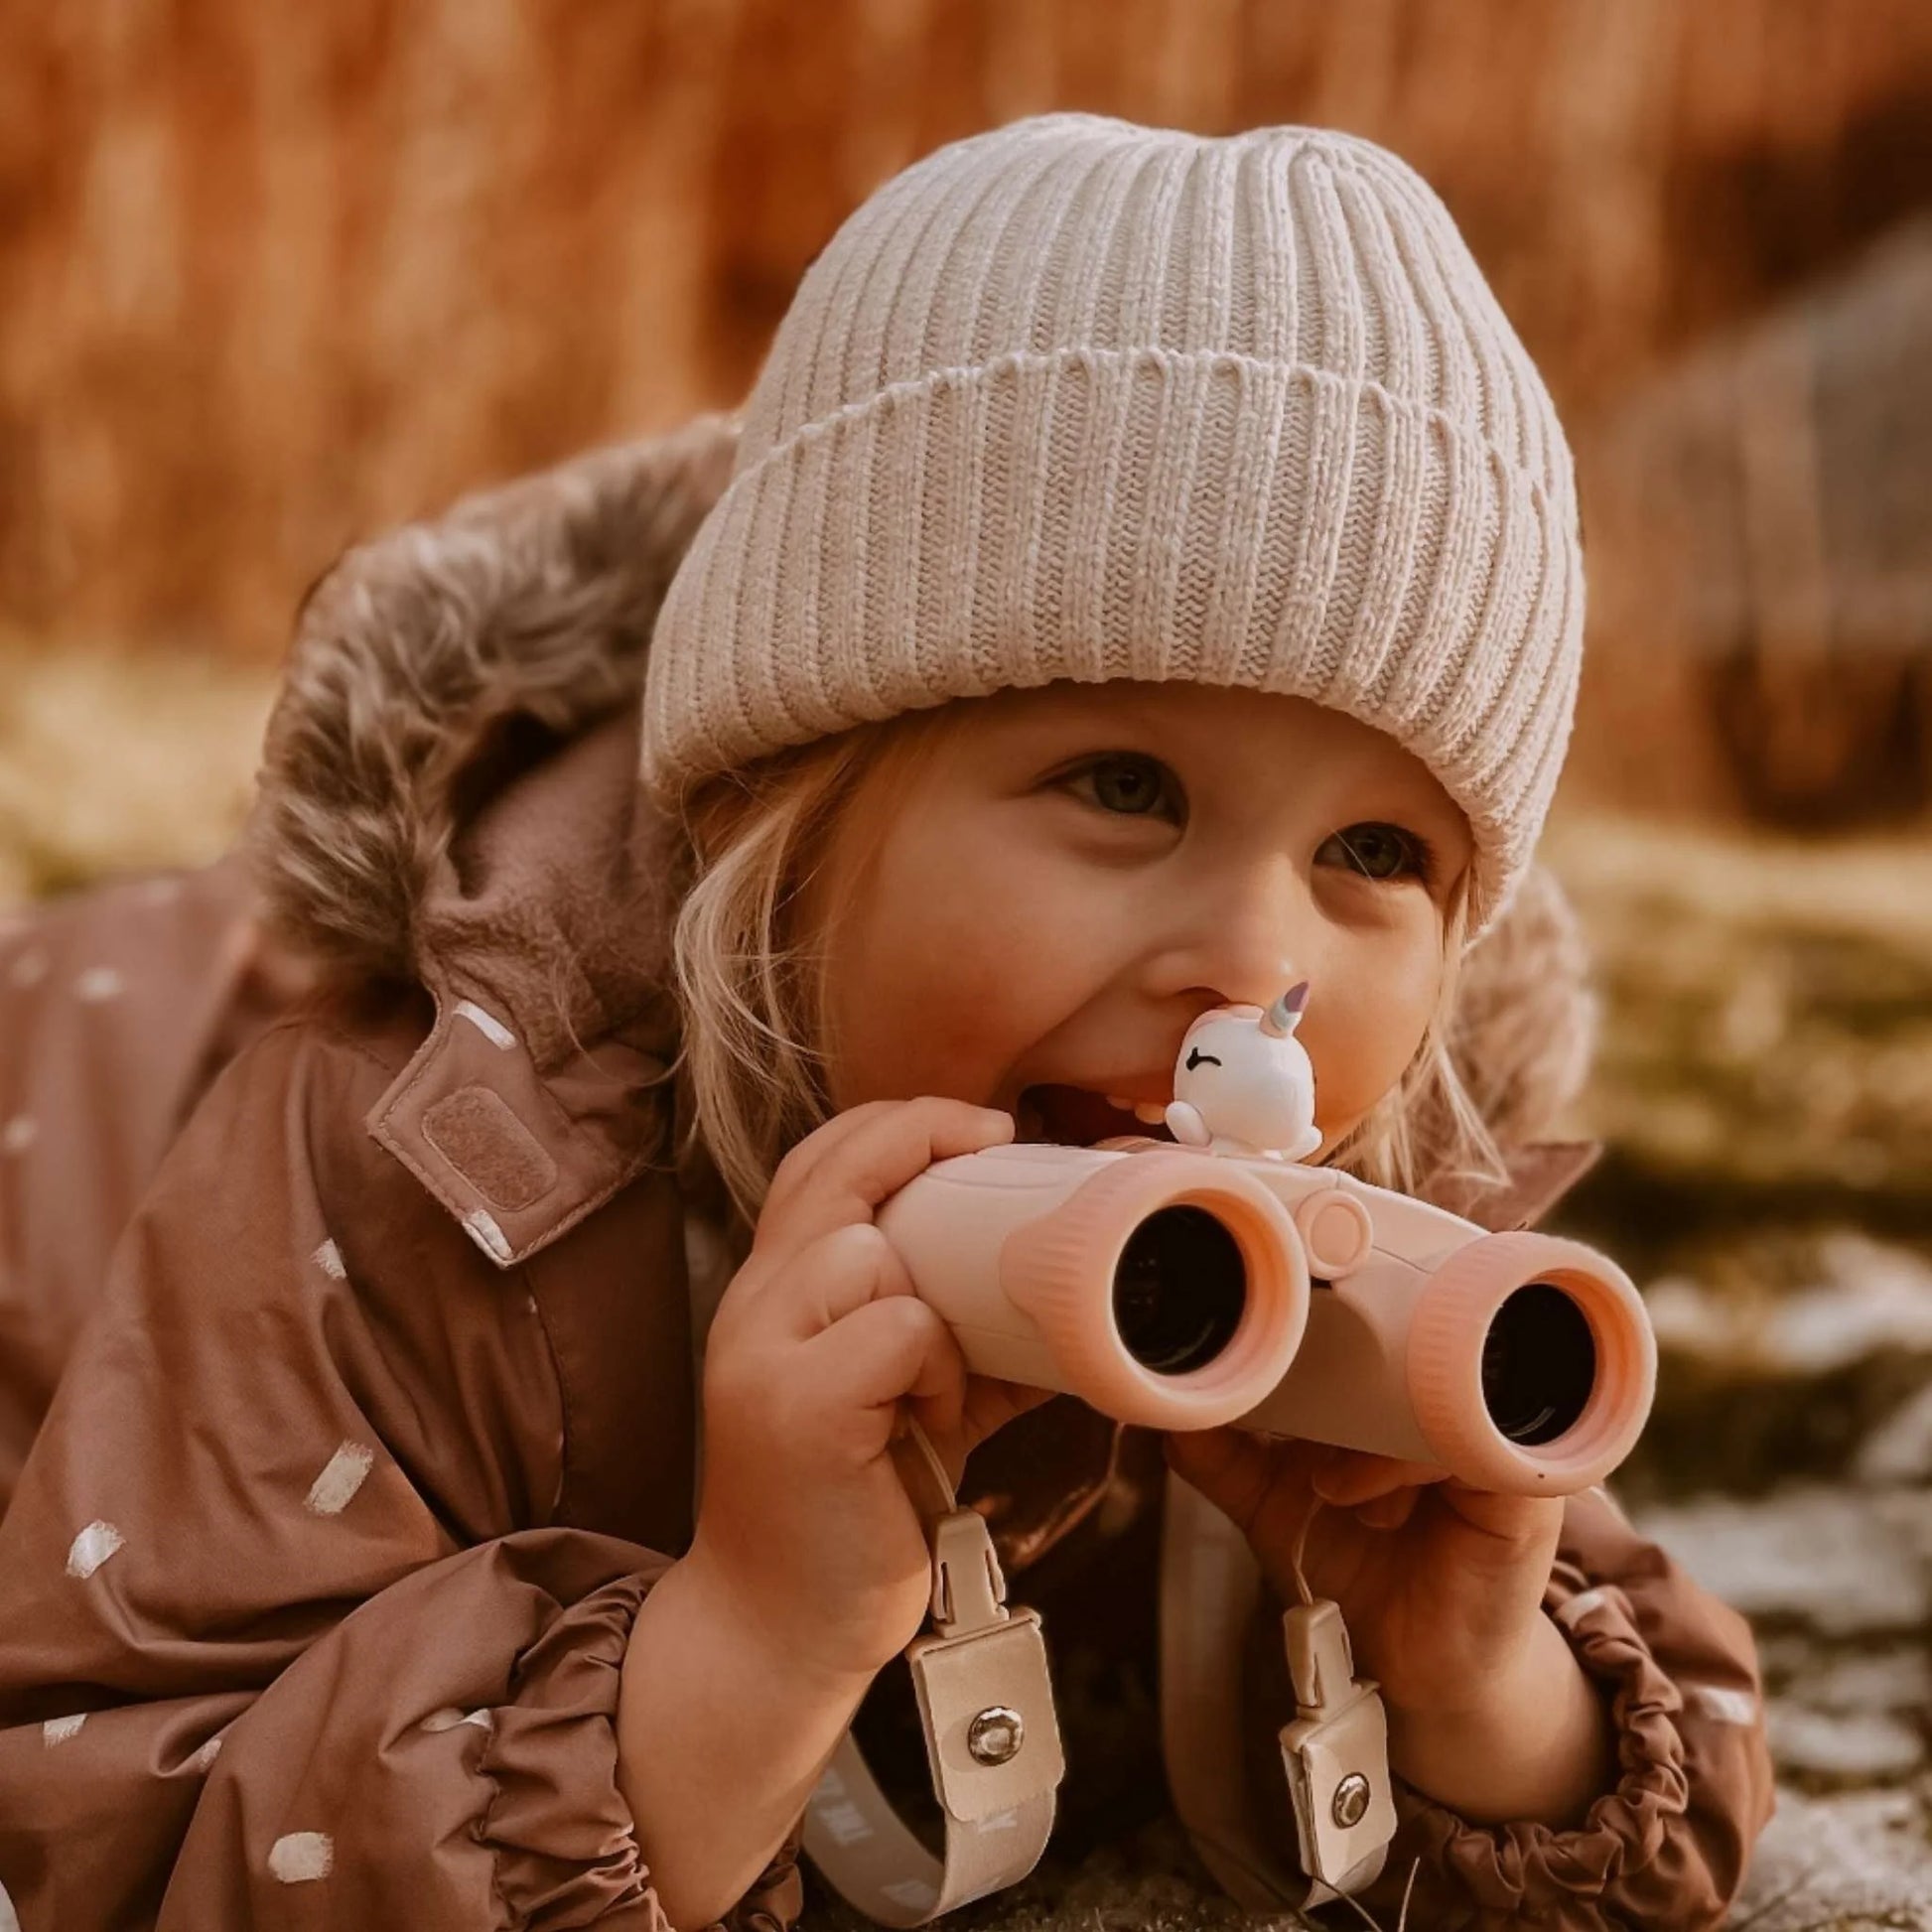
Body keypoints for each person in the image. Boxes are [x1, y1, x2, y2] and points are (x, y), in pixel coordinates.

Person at [0, 116, 1773, 1929]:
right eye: (1122, 784)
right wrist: (743, 1646)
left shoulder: (1390, 1224)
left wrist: (1480, 1678)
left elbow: (1680, 1758)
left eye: (1374, 849)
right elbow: (113, 1822)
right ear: (781, 811)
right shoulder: (423, 1170)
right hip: (88, 1088)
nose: (1254, 967)